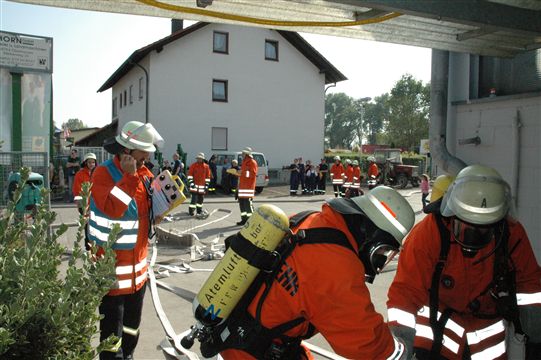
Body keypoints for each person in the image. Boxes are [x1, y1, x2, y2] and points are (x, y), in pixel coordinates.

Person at [220, 186, 415, 359]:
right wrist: (400, 351)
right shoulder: (337, 266)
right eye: (383, 251)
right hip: (253, 350)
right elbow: (366, 343)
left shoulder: (312, 220)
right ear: (371, 235)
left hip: (240, 331)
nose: (381, 259)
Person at [387, 164, 541, 360]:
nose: (472, 239)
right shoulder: (429, 234)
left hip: (487, 338)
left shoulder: (511, 234)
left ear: (497, 224)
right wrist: (401, 343)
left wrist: (536, 335)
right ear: (452, 214)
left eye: (482, 231)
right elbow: (405, 294)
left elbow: (530, 286)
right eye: (465, 228)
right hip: (436, 334)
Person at [88, 120, 164, 360]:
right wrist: (129, 178)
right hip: (112, 275)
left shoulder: (144, 175)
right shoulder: (103, 174)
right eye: (143, 154)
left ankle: (129, 355)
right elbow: (112, 209)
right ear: (127, 152)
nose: (146, 159)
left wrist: (159, 212)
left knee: (131, 328)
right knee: (112, 336)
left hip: (137, 275)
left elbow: (147, 211)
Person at [72, 152, 97, 251]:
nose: (91, 164)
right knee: (87, 226)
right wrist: (79, 205)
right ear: (85, 163)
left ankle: (96, 246)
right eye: (89, 162)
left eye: (93, 162)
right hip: (85, 205)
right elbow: (76, 189)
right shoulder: (80, 174)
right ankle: (88, 247)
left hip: (96, 205)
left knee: (96, 225)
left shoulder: (98, 173)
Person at [236, 147, 258, 225]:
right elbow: (244, 174)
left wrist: (242, 173)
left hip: (248, 188)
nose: (242, 154)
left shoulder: (252, 162)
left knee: (248, 206)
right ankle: (244, 220)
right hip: (242, 188)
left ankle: (251, 222)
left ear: (247, 154)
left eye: (243, 153)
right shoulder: (244, 162)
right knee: (242, 205)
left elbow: (253, 174)